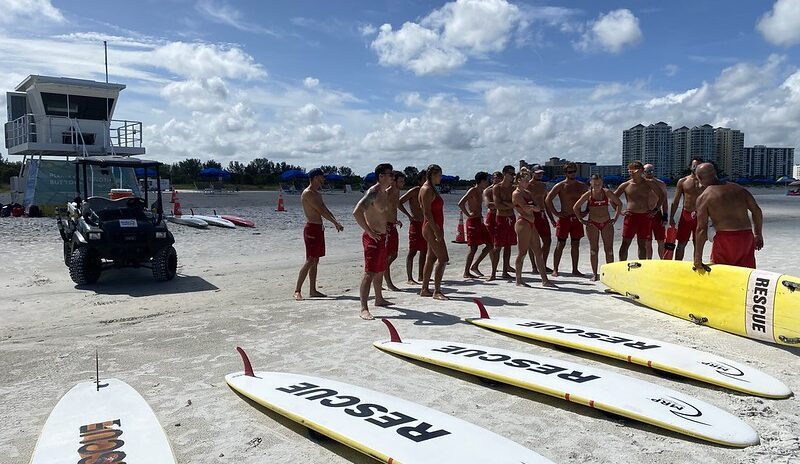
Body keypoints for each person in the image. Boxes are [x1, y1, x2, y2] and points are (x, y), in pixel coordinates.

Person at [693, 163, 763, 269]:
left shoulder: (705, 197)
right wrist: (758, 234)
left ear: (699, 177)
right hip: (746, 237)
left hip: (725, 239)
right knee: (745, 273)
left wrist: (697, 258)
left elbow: (701, 229)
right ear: (715, 174)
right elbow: (757, 211)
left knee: (723, 273)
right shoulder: (739, 189)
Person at [294, 168, 344, 300]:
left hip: (319, 228)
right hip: (311, 229)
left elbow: (325, 208)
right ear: (316, 177)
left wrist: (336, 221)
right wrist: (334, 223)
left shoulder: (317, 193)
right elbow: (320, 210)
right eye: (322, 177)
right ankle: (297, 290)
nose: (323, 179)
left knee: (316, 261)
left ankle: (313, 290)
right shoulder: (308, 193)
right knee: (310, 260)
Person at [353, 163, 394, 320]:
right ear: (381, 176)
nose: (392, 177)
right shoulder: (374, 192)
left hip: (382, 237)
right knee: (369, 273)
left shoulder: (384, 192)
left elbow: (381, 214)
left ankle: (379, 298)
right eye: (389, 174)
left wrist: (388, 226)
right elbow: (357, 212)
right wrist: (369, 231)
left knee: (380, 270)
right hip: (373, 237)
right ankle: (363, 308)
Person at [614, 161, 667, 261]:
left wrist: (655, 210)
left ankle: (641, 266)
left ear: (641, 171)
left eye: (635, 171)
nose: (632, 173)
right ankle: (622, 265)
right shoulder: (625, 185)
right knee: (625, 243)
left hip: (645, 217)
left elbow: (662, 196)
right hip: (630, 216)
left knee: (642, 244)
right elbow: (613, 199)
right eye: (630, 171)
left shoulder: (649, 183)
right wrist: (620, 211)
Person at [573, 174, 622, 281]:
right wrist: (581, 220)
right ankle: (595, 274)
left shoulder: (607, 192)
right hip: (593, 224)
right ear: (590, 183)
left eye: (599, 183)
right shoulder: (588, 194)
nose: (597, 185)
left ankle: (610, 274)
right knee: (593, 250)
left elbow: (619, 203)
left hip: (606, 223)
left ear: (602, 182)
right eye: (595, 183)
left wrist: (615, 217)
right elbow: (576, 207)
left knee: (609, 250)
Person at [545, 162, 589, 277]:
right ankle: (555, 269)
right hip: (564, 218)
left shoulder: (581, 185)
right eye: (570, 172)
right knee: (560, 244)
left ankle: (575, 269)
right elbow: (548, 199)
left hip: (576, 218)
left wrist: (586, 211)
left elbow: (592, 196)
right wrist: (556, 213)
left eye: (574, 171)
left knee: (576, 244)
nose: (572, 174)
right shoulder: (560, 185)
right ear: (565, 173)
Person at [513, 168, 555, 287]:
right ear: (519, 180)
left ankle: (544, 280)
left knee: (538, 252)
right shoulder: (516, 193)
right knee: (522, 252)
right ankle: (518, 279)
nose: (527, 182)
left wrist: (531, 207)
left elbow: (537, 206)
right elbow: (526, 207)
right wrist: (531, 207)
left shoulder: (527, 193)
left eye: (527, 180)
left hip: (531, 222)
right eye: (525, 180)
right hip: (523, 222)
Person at [419, 165, 449, 299]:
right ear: (433, 175)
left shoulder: (432, 189)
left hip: (434, 226)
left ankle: (425, 289)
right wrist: (436, 230)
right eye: (439, 175)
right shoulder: (427, 189)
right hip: (431, 227)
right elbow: (426, 212)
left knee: (431, 258)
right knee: (443, 259)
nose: (441, 178)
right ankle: (437, 291)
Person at [669, 158, 705, 261]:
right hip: (686, 214)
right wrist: (671, 217)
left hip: (701, 215)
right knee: (681, 243)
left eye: (699, 166)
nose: (696, 168)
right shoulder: (683, 181)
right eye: (694, 165)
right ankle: (677, 265)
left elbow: (713, 200)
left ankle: (697, 264)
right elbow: (675, 201)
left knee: (698, 243)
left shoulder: (706, 182)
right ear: (690, 166)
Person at [458, 171, 492, 278]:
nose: (488, 182)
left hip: (479, 221)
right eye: (486, 180)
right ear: (482, 181)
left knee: (490, 244)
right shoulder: (472, 190)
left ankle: (475, 265)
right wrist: (468, 214)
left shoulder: (481, 191)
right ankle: (466, 272)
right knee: (473, 248)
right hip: (472, 221)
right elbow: (461, 203)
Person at [398, 170, 427, 284]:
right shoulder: (414, 191)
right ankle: (409, 278)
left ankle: (421, 275)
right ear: (420, 180)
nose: (426, 181)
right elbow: (399, 202)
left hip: (425, 224)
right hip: (415, 224)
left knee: (424, 251)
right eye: (424, 179)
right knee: (412, 251)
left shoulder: (428, 191)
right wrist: (409, 215)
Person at [490, 165, 517, 280]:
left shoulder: (513, 188)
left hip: (511, 218)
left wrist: (506, 204)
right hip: (500, 218)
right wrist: (509, 204)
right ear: (505, 174)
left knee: (508, 246)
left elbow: (516, 204)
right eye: (511, 174)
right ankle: (493, 273)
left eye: (513, 174)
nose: (512, 176)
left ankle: (505, 270)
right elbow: (498, 205)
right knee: (497, 246)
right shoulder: (497, 187)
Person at [526, 165, 554, 274]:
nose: (540, 174)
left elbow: (546, 203)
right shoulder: (528, 185)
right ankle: (534, 266)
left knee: (547, 241)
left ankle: (542, 264)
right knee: (532, 242)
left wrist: (551, 218)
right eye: (537, 173)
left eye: (541, 173)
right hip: (532, 214)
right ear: (532, 173)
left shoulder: (543, 185)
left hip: (542, 214)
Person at [384, 171, 406, 291]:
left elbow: (393, 208)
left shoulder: (397, 191)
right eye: (401, 181)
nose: (403, 183)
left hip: (392, 224)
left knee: (394, 254)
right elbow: (380, 209)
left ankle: (382, 272)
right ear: (394, 181)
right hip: (386, 226)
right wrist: (383, 224)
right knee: (387, 255)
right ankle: (388, 282)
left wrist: (396, 220)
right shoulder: (387, 192)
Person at [643, 164, 669, 259]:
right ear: (643, 172)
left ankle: (662, 260)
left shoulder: (660, 183)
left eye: (651, 171)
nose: (649, 173)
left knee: (661, 240)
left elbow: (664, 201)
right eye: (647, 171)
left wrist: (665, 215)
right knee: (647, 242)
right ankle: (648, 262)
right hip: (645, 214)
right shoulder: (640, 184)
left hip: (657, 214)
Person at [484, 171, 503, 278]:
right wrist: (502, 205)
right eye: (496, 177)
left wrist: (502, 205)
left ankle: (500, 268)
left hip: (500, 217)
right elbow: (488, 205)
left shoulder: (503, 189)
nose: (497, 179)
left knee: (500, 245)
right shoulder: (488, 190)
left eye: (500, 178)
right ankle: (493, 270)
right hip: (491, 218)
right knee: (492, 246)